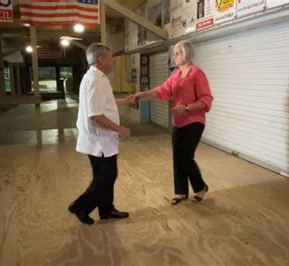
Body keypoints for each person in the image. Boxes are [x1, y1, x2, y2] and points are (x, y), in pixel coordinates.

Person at [133, 40, 213, 205]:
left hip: (194, 120)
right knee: (178, 157)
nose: (174, 56)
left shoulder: (197, 73)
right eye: (174, 53)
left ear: (186, 53)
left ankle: (200, 187)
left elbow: (206, 99)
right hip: (178, 121)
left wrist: (186, 107)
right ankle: (180, 192)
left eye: (177, 53)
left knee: (186, 157)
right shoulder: (176, 74)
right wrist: (144, 94)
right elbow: (163, 90)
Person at [69, 43, 135, 225]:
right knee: (105, 177)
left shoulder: (96, 77)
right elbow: (95, 115)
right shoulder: (96, 80)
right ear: (101, 59)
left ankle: (106, 210)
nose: (114, 60)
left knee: (105, 176)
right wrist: (120, 129)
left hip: (100, 139)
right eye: (111, 57)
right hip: (99, 140)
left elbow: (104, 103)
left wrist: (124, 101)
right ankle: (81, 206)